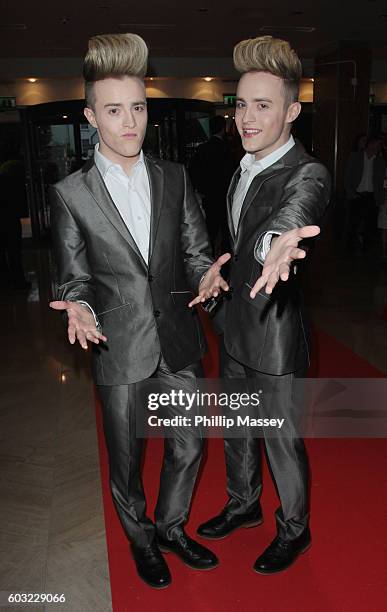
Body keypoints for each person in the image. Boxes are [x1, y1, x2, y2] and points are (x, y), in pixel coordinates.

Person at [49, 32, 232, 590]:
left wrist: (209, 275)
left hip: (176, 334)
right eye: (114, 110)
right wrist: (77, 307)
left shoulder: (174, 177)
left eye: (138, 107)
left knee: (189, 443)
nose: (130, 122)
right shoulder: (70, 194)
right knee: (126, 462)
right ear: (90, 116)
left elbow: (198, 250)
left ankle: (172, 527)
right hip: (117, 343)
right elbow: (74, 276)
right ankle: (140, 538)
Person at [194, 35, 331, 575]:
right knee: (237, 427)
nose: (247, 118)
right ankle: (243, 504)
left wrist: (277, 241)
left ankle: (295, 530)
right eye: (241, 103)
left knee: (279, 437)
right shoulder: (241, 166)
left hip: (274, 335)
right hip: (234, 326)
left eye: (264, 105)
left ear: (293, 111)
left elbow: (292, 215)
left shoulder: (308, 171)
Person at [188, 115, 235, 254]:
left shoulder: (203, 149)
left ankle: (207, 260)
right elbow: (231, 174)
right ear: (223, 128)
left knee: (210, 230)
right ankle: (226, 263)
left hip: (209, 196)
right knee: (227, 232)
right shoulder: (227, 148)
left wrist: (201, 189)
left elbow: (193, 171)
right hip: (225, 196)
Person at [345, 135, 385, 251]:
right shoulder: (355, 157)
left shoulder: (379, 161)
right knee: (353, 224)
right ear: (370, 144)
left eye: (379, 145)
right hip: (357, 195)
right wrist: (350, 193)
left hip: (372, 196)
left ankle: (366, 250)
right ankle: (350, 250)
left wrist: (381, 197)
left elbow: (382, 181)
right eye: (377, 144)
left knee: (370, 226)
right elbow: (348, 176)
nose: (378, 147)